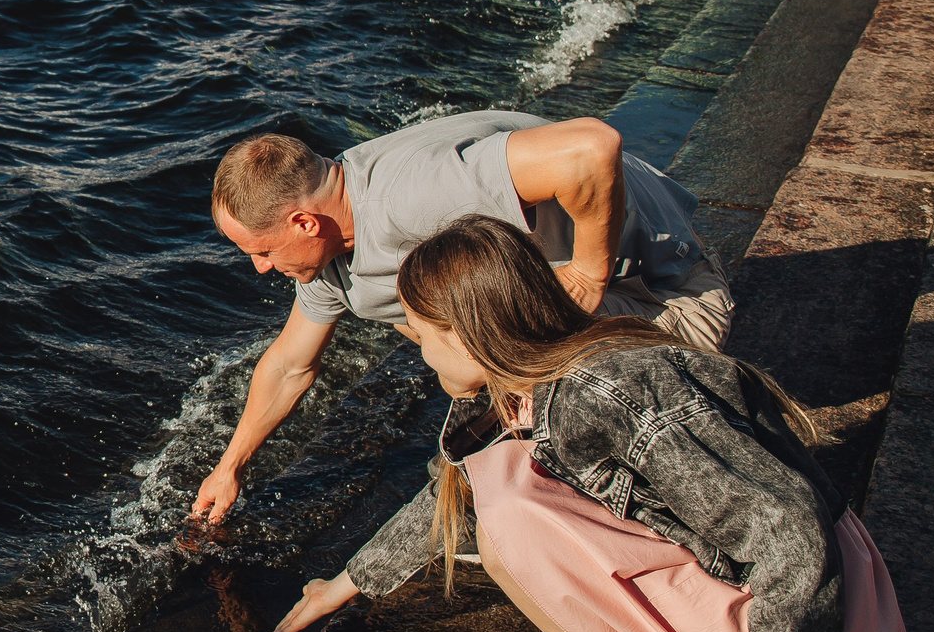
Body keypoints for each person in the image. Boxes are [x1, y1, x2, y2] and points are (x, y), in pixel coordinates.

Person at [264, 216, 907, 632]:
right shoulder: (528, 385)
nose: (419, 352)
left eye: (421, 332)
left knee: (509, 522)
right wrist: (347, 582)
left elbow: (789, 527)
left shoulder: (605, 392)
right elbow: (448, 493)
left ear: (466, 332)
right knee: (496, 491)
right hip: (799, 609)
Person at [191, 114, 730, 529]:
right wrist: (230, 467)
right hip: (609, 312)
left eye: (260, 251)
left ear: (304, 221)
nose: (260, 268)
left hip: (672, 298)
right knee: (459, 357)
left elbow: (592, 146)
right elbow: (290, 363)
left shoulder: (411, 195)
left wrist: (589, 273)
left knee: (467, 362)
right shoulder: (329, 252)